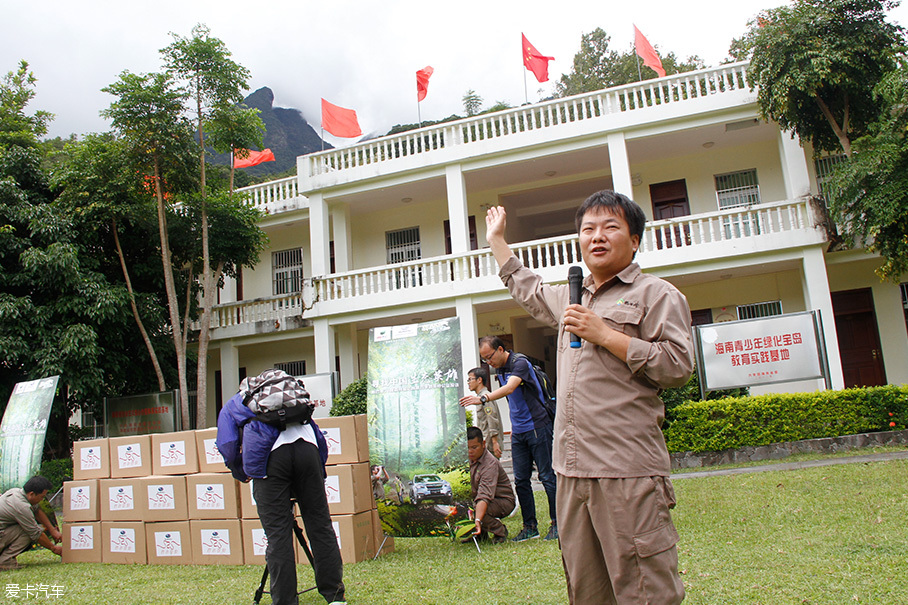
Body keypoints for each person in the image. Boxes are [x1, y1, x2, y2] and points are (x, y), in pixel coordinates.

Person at [485, 190, 695, 604]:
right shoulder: (571, 297)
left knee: (644, 590)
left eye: (610, 227)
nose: (597, 236)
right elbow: (527, 288)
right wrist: (497, 240)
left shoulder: (657, 295)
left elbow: (677, 366)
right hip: (571, 473)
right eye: (588, 229)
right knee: (587, 590)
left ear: (634, 240)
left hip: (627, 470)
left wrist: (606, 335)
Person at [217, 371, 346, 605]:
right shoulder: (292, 397)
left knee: (278, 534)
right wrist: (317, 468)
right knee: (320, 525)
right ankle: (335, 596)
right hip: (308, 451)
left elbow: (227, 445)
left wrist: (240, 472)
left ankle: (286, 601)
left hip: (270, 459)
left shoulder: (236, 402)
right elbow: (318, 437)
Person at [459, 336, 558, 542]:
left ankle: (558, 524)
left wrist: (484, 397)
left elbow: (511, 388)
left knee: (547, 477)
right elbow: (512, 399)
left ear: (501, 349)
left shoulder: (519, 363)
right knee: (521, 481)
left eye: (489, 357)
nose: (488, 363)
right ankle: (530, 527)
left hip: (538, 426)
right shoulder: (500, 369)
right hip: (519, 431)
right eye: (484, 360)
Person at [0, 476, 63, 570]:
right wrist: (53, 548)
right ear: (32, 494)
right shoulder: (22, 507)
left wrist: (52, 530)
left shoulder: (16, 492)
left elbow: (37, 510)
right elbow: (35, 533)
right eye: (41, 497)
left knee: (32, 527)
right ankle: (5, 561)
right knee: (28, 531)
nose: (42, 500)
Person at [466, 426, 515, 543]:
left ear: (483, 444)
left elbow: (484, 496)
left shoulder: (490, 464)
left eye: (474, 447)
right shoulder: (467, 460)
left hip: (502, 500)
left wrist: (477, 518)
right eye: (467, 448)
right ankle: (480, 534)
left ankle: (500, 531)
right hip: (482, 499)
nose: (470, 451)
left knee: (476, 509)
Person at [461, 366, 503, 458]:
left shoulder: (485, 397)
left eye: (470, 379)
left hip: (490, 444)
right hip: (486, 443)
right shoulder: (480, 397)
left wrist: (495, 442)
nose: (468, 383)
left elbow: (492, 418)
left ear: (479, 380)